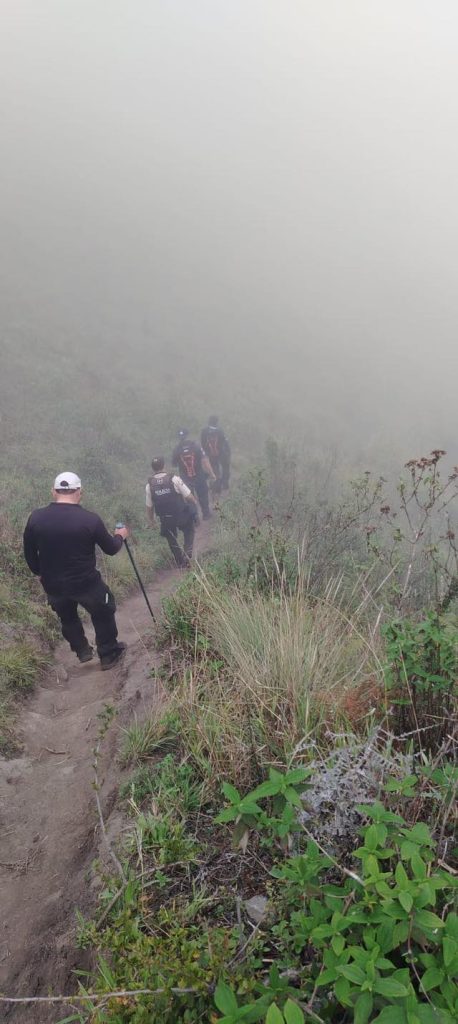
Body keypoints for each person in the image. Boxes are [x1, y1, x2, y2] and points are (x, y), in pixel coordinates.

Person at [23, 472, 128, 671]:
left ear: (53, 491)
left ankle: (82, 650)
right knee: (104, 610)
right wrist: (120, 536)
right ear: (79, 492)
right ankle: (108, 654)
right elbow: (111, 549)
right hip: (86, 582)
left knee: (67, 616)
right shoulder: (90, 520)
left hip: (53, 583)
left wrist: (39, 572)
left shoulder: (35, 518)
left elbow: (29, 551)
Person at [146, 456, 199, 567]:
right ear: (164, 466)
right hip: (180, 515)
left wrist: (151, 521)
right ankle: (187, 553)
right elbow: (188, 496)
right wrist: (195, 503)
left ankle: (180, 561)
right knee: (189, 529)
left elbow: (149, 507)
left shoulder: (149, 485)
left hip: (165, 518)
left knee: (171, 538)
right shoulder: (174, 479)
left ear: (152, 468)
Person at [171, 429, 216, 519]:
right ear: (187, 435)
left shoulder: (176, 449)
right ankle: (206, 514)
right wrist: (211, 474)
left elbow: (174, 464)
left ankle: (195, 519)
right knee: (203, 494)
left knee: (189, 497)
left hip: (185, 476)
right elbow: (205, 460)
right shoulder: (196, 446)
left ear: (179, 437)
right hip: (199, 474)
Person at [201, 415, 231, 494]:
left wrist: (206, 453)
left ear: (209, 422)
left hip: (210, 455)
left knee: (214, 470)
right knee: (225, 468)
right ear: (216, 422)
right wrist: (228, 453)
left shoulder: (204, 431)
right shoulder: (220, 431)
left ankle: (214, 486)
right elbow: (224, 442)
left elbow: (202, 443)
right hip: (221, 454)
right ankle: (224, 485)